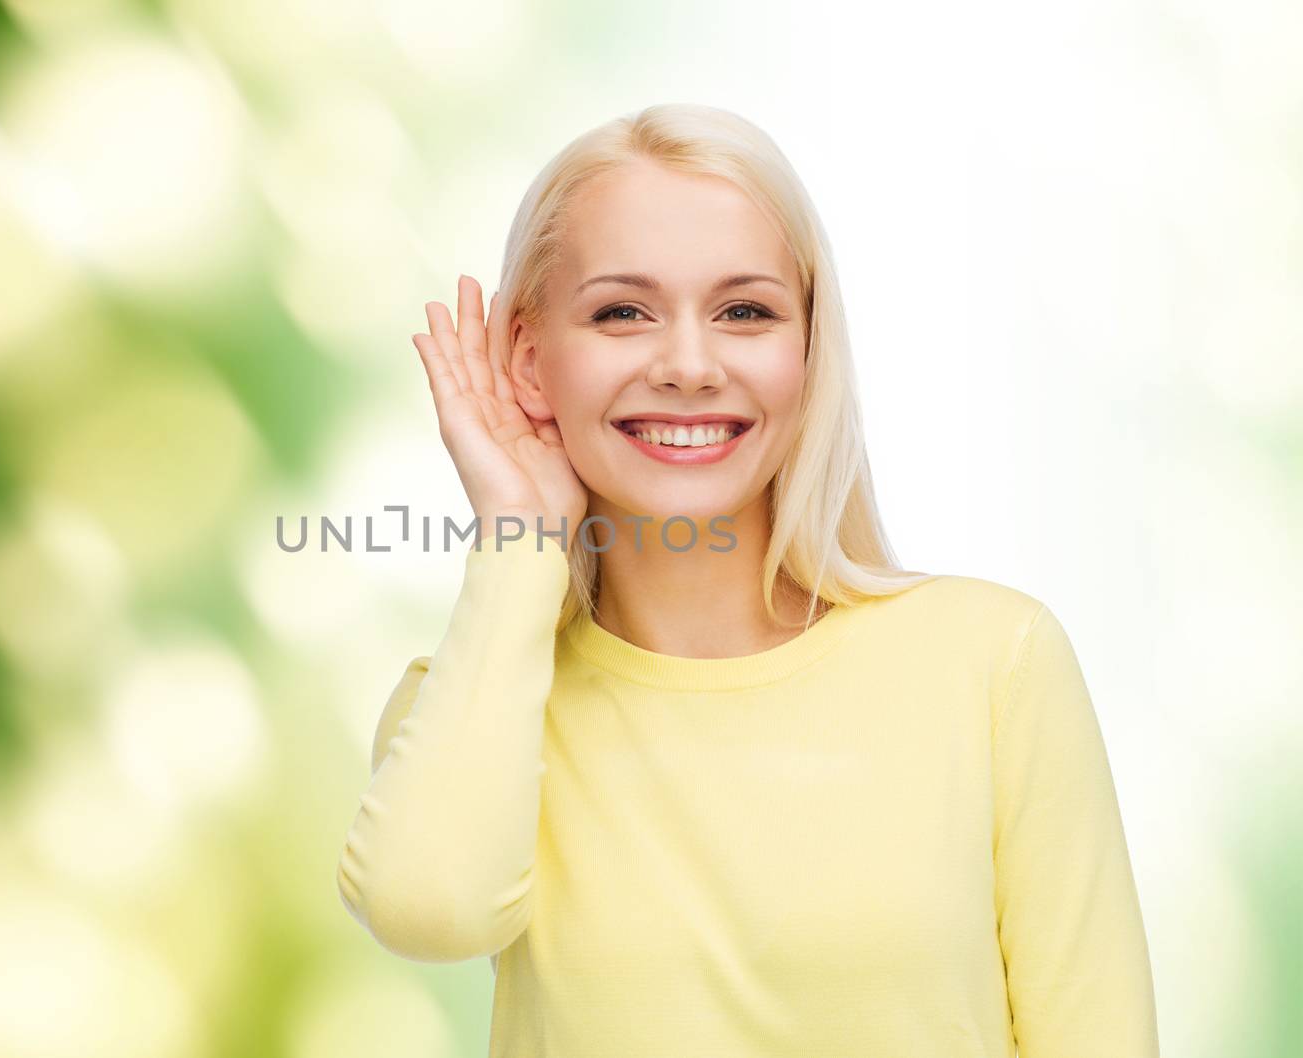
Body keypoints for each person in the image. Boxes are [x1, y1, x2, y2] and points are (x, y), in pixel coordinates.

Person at [335, 102, 1158, 1058]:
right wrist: (521, 537)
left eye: (745, 311)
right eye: (621, 312)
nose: (689, 365)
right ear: (527, 358)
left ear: (807, 350)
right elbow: (428, 911)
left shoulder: (992, 663)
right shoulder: (480, 702)